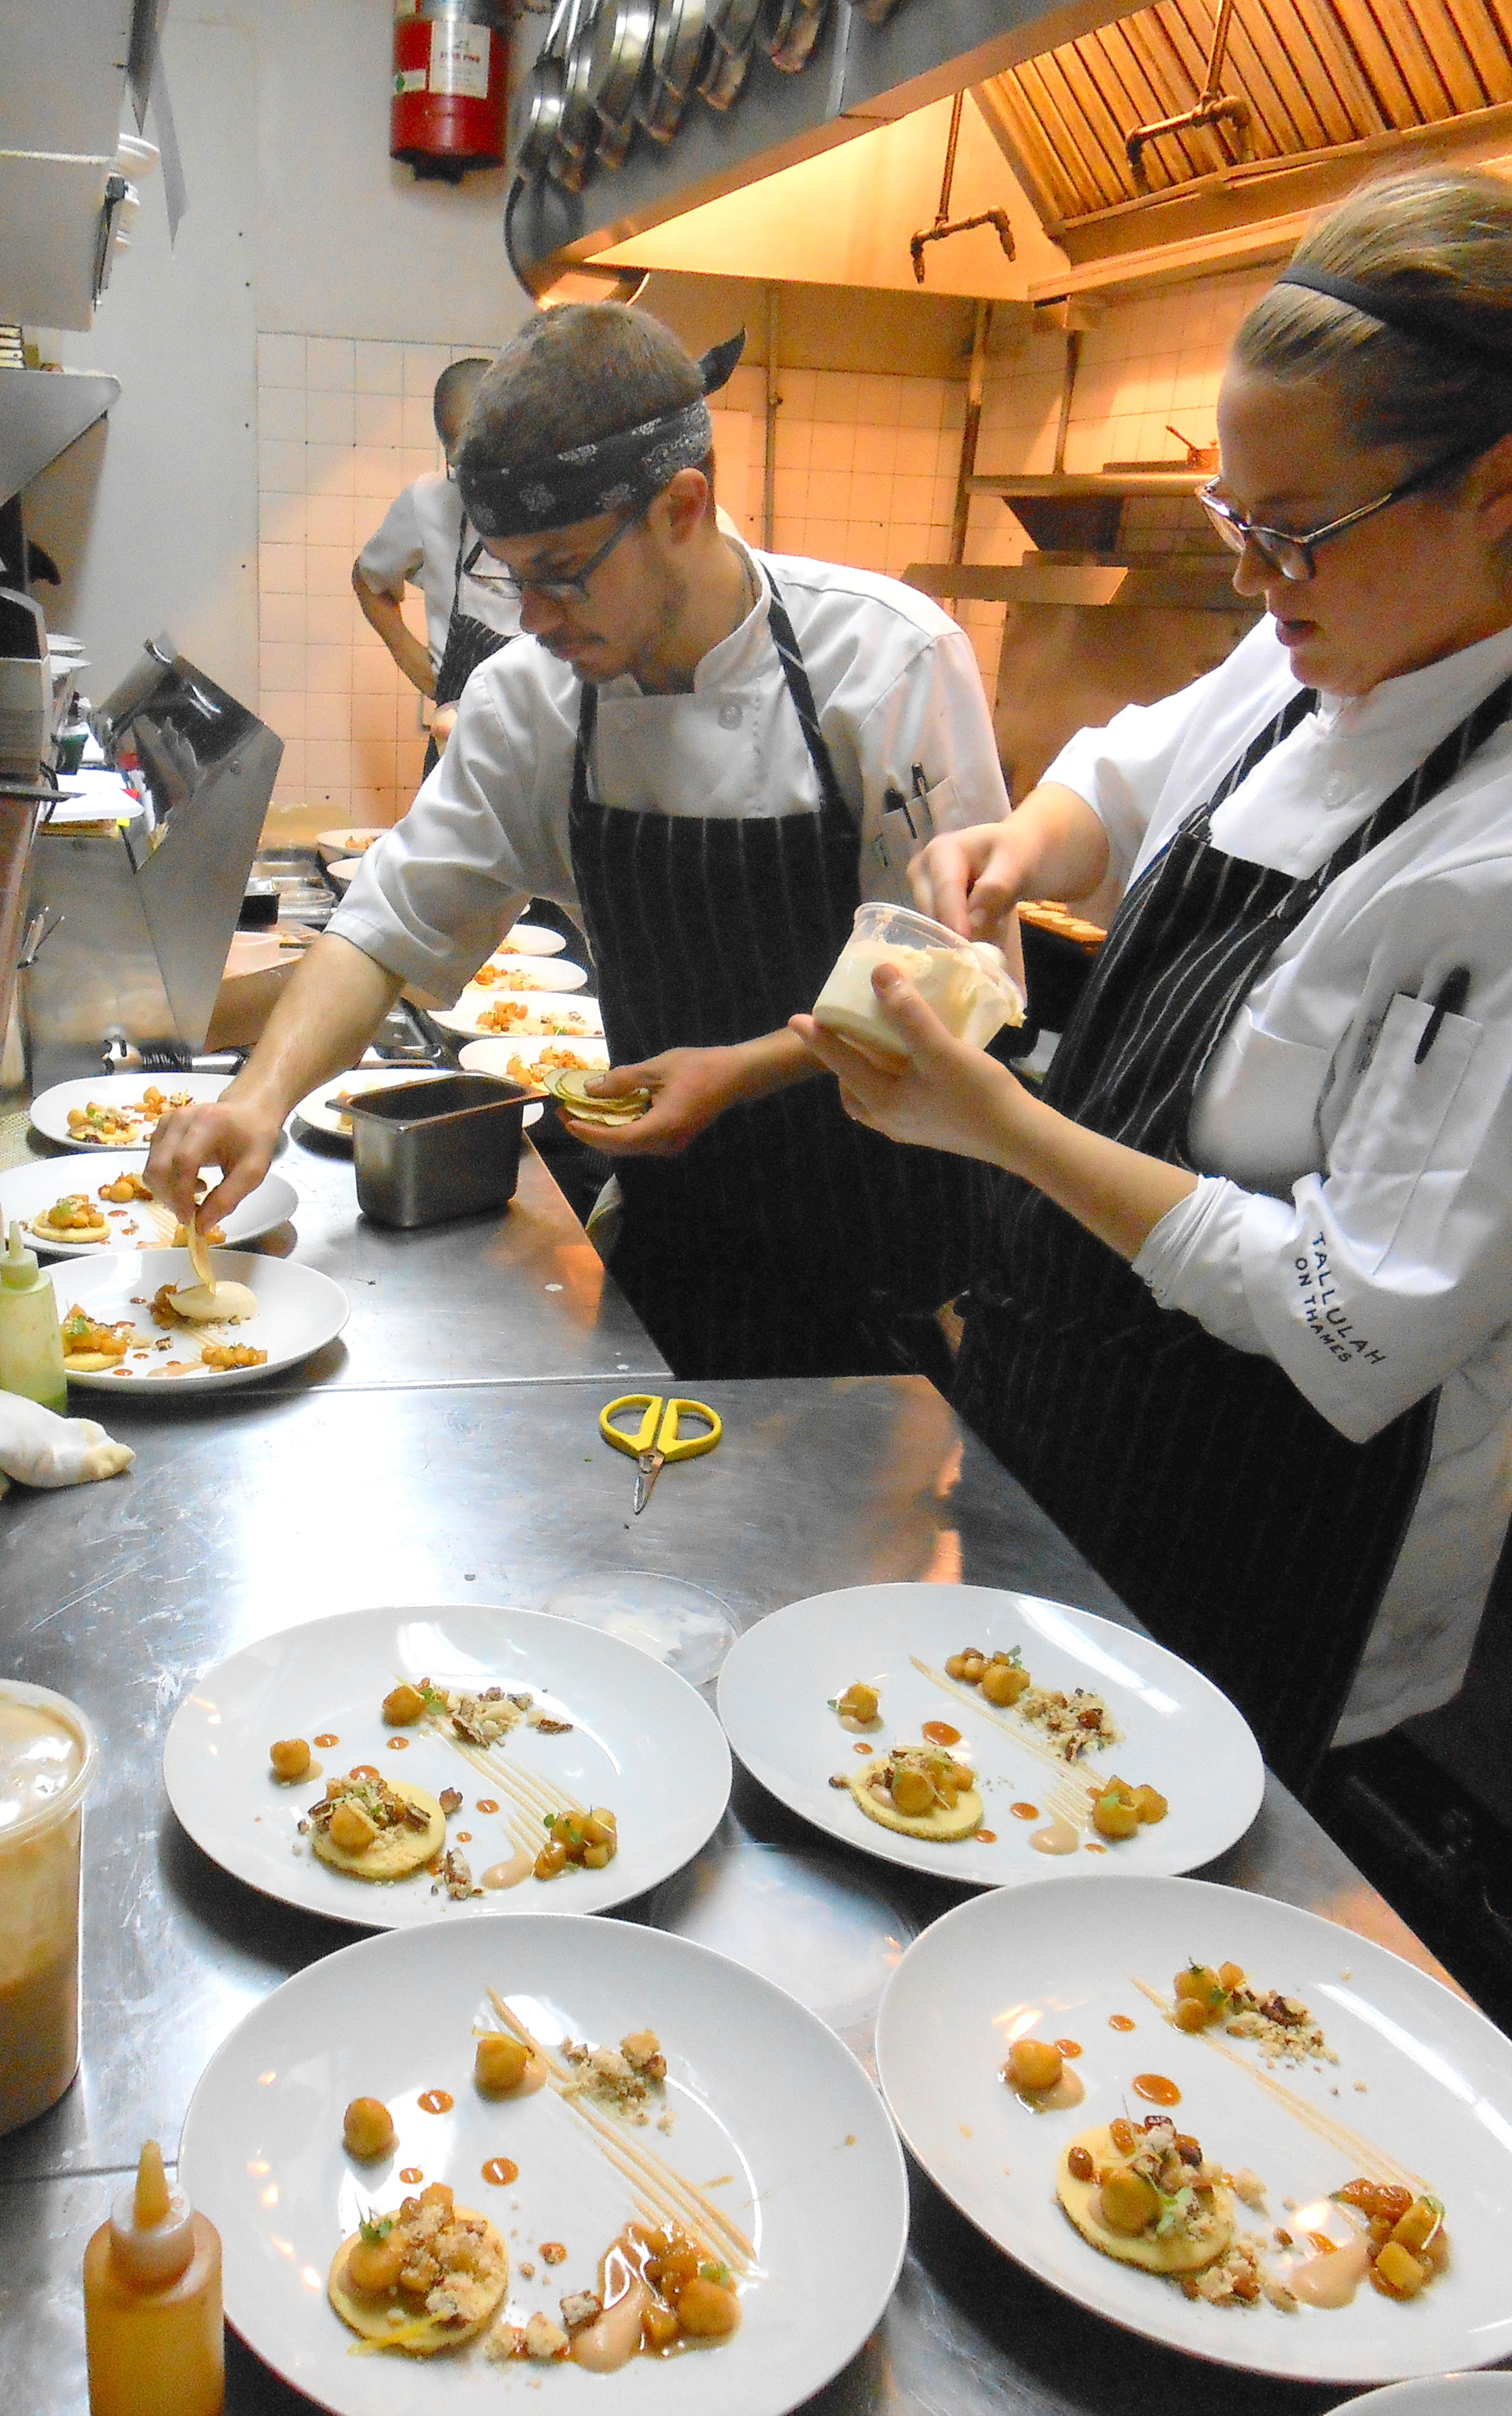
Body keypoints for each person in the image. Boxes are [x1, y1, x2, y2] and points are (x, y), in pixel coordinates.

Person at [793, 169, 1512, 1791]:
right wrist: (1019, 843)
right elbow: (1124, 772)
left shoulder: (1494, 857)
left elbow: (1345, 1323)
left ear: (1497, 490)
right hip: (1072, 1443)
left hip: (1272, 1542)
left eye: (1297, 531)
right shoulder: (1316, 637)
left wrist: (998, 1128)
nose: (1257, 582)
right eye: (1230, 522)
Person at [149, 305, 1012, 1379]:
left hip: (890, 1260)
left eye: (562, 573)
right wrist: (257, 1102)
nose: (536, 619)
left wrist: (740, 1074)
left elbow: (962, 979)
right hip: (676, 1239)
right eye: (513, 579)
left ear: (681, 508)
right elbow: (390, 921)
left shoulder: (886, 659)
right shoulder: (536, 697)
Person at [352, 356, 521, 769]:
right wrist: (410, 656)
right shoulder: (427, 501)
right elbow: (367, 579)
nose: (478, 481)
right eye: (462, 465)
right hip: (455, 749)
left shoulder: (556, 504)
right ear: (446, 449)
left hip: (540, 747)